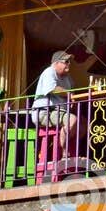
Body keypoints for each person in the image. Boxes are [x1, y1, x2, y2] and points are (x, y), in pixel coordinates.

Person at [30, 51, 78, 181]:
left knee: (83, 123)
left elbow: (72, 93)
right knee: (72, 119)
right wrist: (68, 95)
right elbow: (53, 89)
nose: (69, 64)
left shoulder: (67, 78)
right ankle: (64, 153)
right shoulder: (49, 72)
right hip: (45, 112)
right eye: (66, 62)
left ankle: (69, 148)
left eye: (69, 62)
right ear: (56, 63)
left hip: (59, 112)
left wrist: (70, 98)